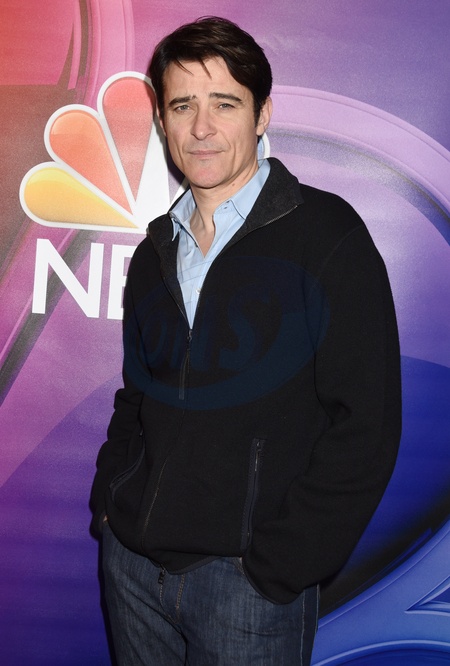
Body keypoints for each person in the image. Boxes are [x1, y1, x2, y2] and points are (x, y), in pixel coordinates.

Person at [90, 16, 401, 665]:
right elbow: (136, 397)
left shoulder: (326, 234)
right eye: (183, 105)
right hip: (133, 569)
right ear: (163, 121)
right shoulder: (154, 249)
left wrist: (280, 566)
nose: (202, 128)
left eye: (224, 104)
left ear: (262, 115)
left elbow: (366, 425)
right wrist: (111, 511)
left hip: (248, 590)